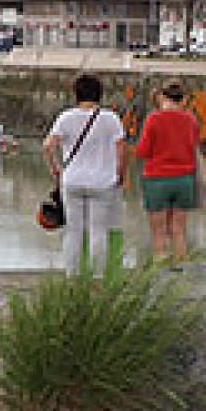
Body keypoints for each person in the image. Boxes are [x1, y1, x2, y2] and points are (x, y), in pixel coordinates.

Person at [43, 74, 131, 272]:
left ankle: (72, 276)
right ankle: (97, 278)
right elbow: (122, 150)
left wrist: (55, 168)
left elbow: (48, 145)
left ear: (76, 94)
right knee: (98, 231)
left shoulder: (66, 117)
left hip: (72, 181)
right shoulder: (111, 119)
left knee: (73, 231)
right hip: (102, 182)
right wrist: (120, 175)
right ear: (99, 95)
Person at [135, 80, 202, 263]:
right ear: (183, 99)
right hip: (184, 179)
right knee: (178, 229)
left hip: (157, 179)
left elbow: (142, 151)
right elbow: (194, 146)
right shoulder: (191, 120)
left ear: (162, 97)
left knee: (159, 231)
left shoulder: (154, 119)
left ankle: (161, 273)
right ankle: (181, 271)